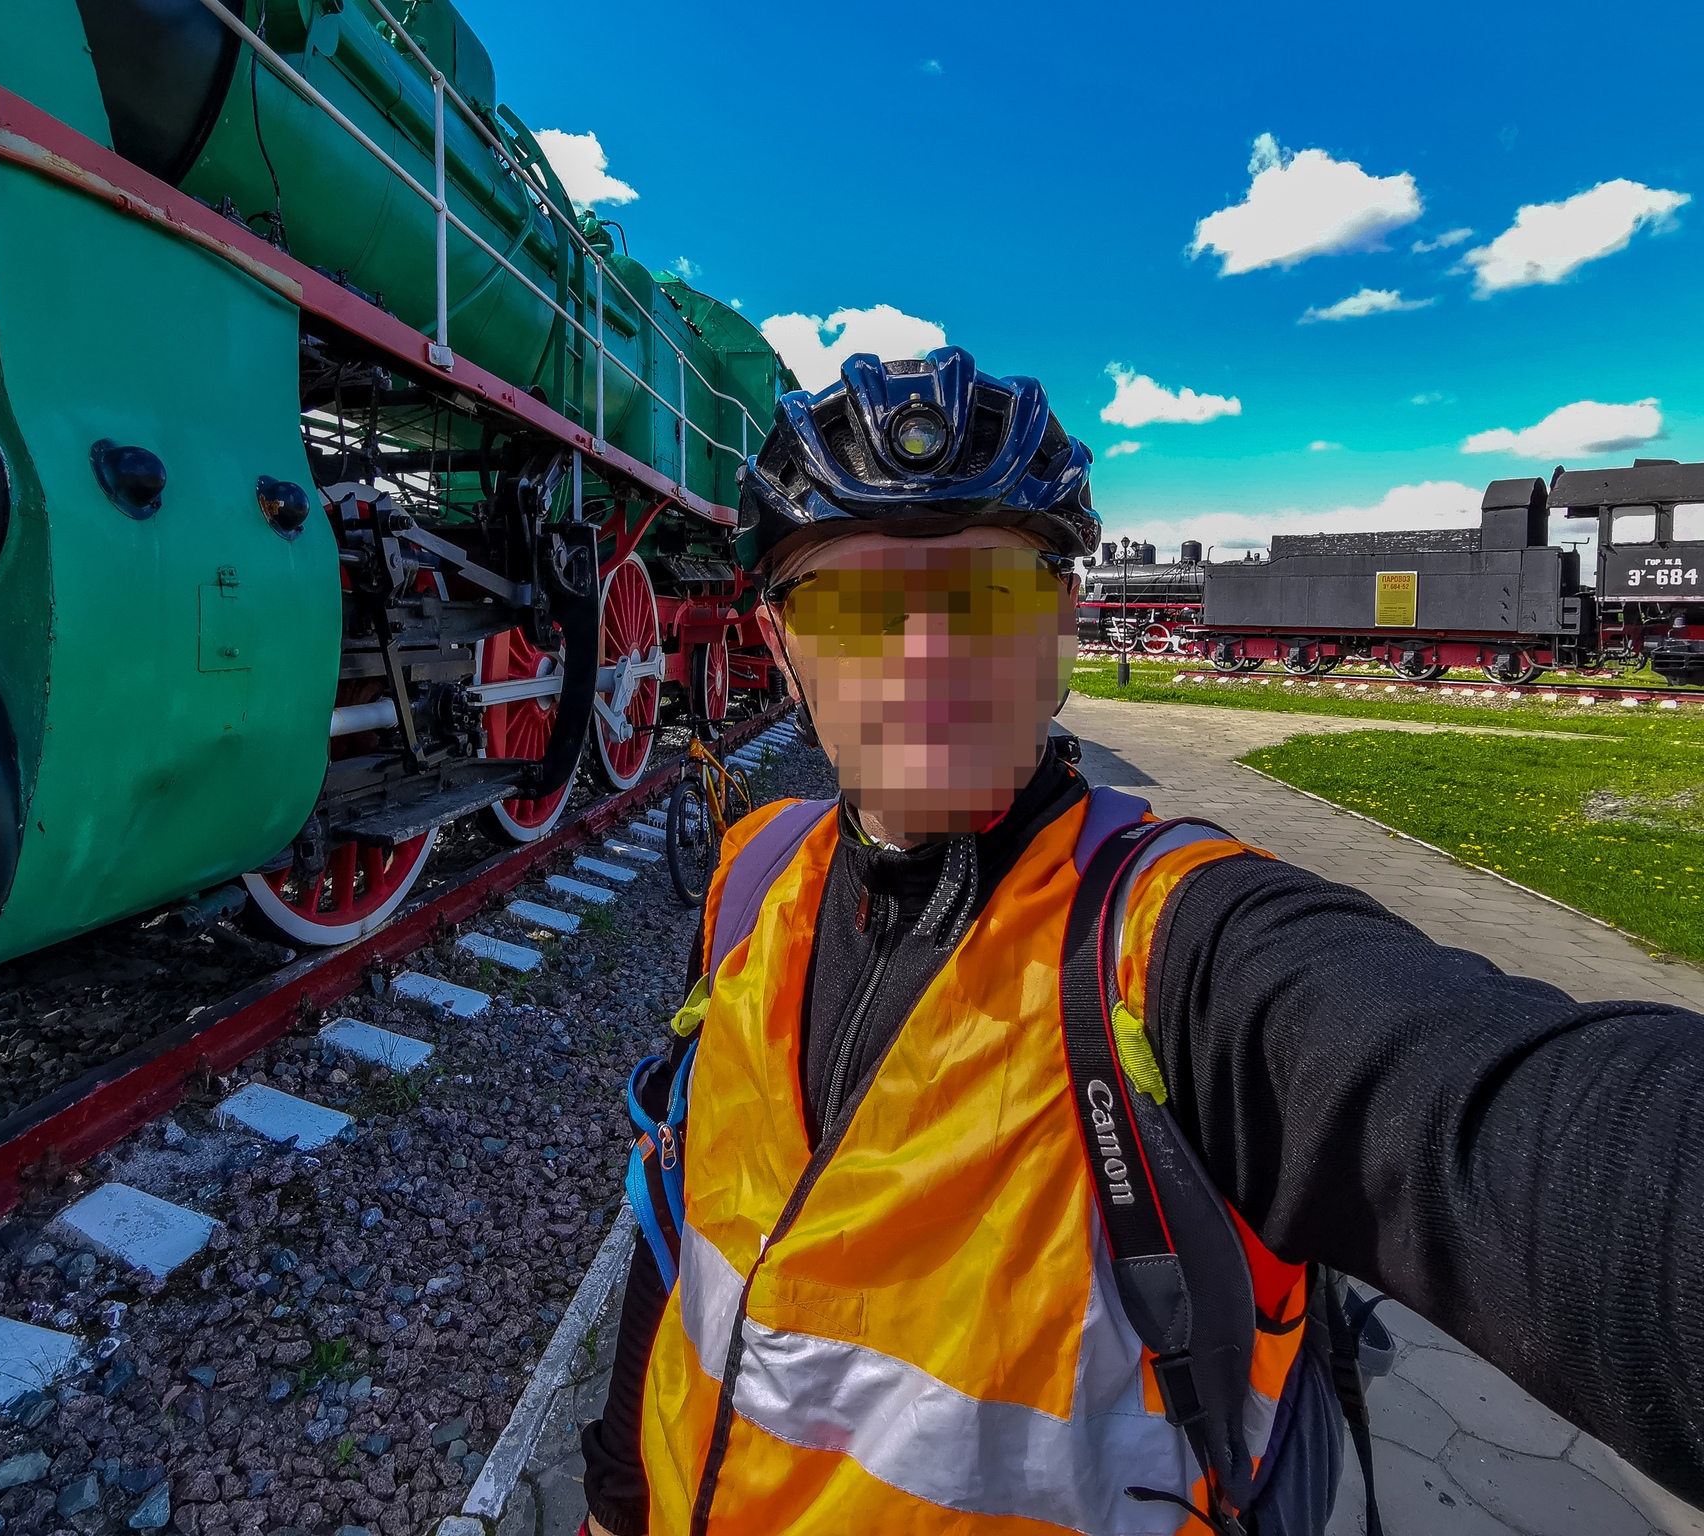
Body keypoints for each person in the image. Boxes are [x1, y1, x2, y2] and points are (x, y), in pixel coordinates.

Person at [575, 347, 1704, 1535]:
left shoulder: (1176, 949)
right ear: (779, 642)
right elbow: (679, 1229)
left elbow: (1516, 1125)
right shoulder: (753, 877)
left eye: (986, 598)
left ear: (1062, 618)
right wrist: (609, 1495)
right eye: (853, 607)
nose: (922, 658)